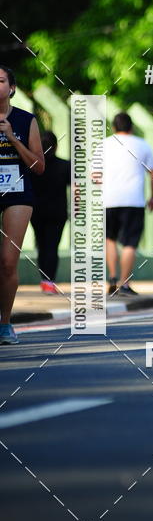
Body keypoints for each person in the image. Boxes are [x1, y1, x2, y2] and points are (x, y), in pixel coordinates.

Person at [0, 66, 45, 343]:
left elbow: (39, 166)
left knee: (7, 263)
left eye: (0, 80)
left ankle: (5, 324)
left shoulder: (26, 120)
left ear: (12, 88)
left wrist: (13, 138)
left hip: (17, 193)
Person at [103, 112, 153, 296]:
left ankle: (112, 278)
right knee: (130, 243)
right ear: (131, 127)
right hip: (134, 201)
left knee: (109, 239)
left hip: (109, 200)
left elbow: (94, 175)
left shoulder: (103, 145)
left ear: (113, 127)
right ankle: (124, 284)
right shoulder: (142, 145)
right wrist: (152, 197)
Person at [30, 131, 70, 294]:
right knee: (52, 246)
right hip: (57, 212)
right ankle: (49, 282)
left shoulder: (33, 165)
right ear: (56, 146)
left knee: (41, 245)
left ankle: (44, 280)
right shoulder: (65, 165)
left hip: (36, 211)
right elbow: (76, 187)